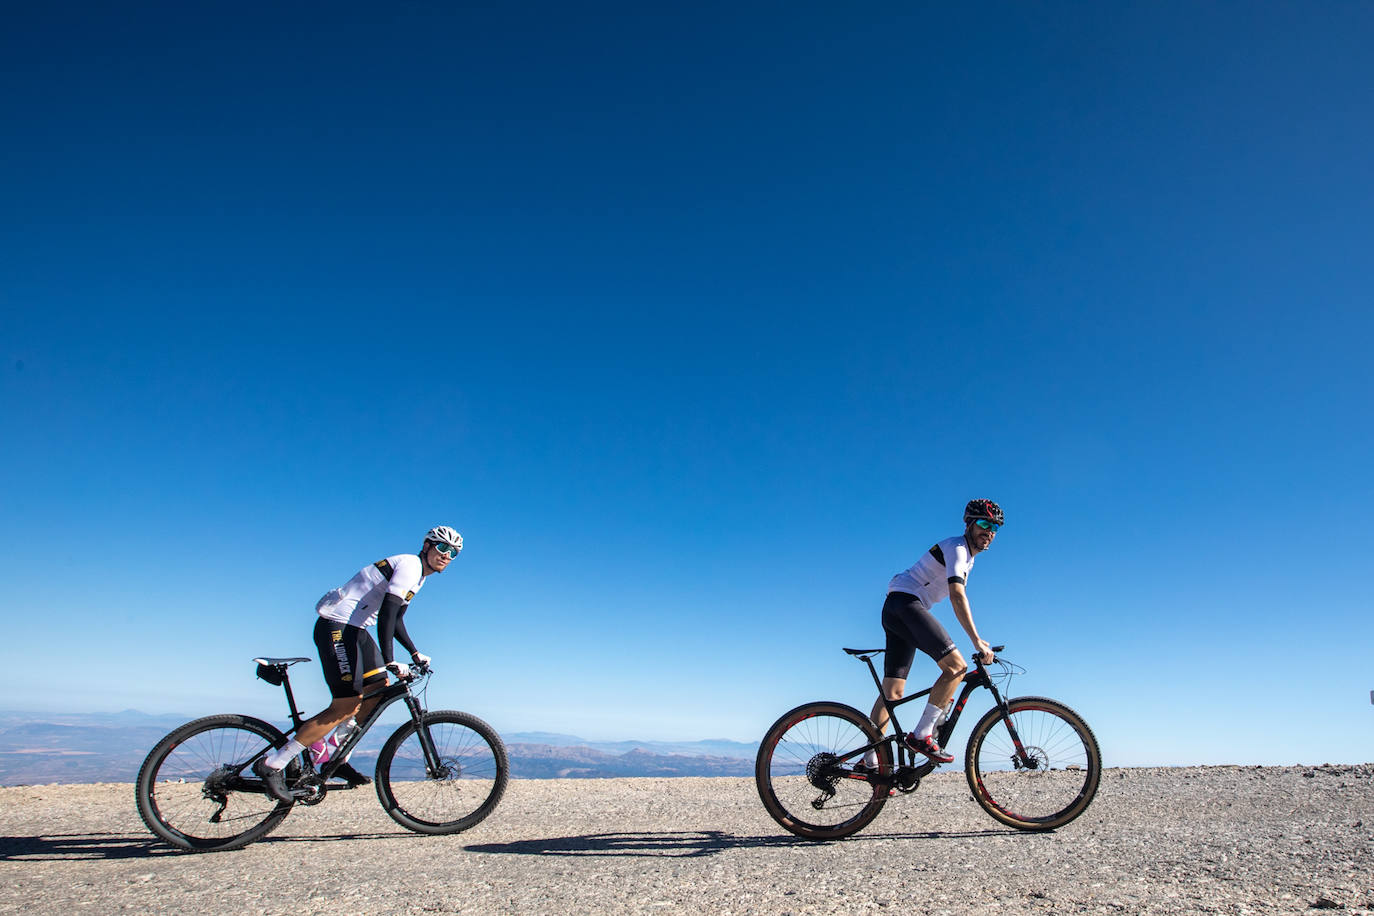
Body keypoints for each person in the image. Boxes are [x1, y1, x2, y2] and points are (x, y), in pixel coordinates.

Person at [254, 525, 463, 801]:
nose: (447, 555)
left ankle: (335, 756)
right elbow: (387, 613)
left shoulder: (419, 578)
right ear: (426, 546)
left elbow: (397, 620)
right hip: (337, 626)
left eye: (454, 553)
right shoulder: (411, 565)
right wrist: (390, 659)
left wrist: (413, 653)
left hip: (356, 630)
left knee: (378, 689)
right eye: (442, 548)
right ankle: (273, 765)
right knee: (346, 704)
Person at [860, 499, 1002, 770]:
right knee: (956, 668)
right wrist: (977, 641)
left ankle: (868, 761)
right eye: (984, 524)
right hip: (906, 605)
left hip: (897, 608)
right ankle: (922, 735)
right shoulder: (958, 549)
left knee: (892, 693)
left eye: (994, 527)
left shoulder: (966, 557)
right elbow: (957, 595)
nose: (989, 531)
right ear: (969, 524)